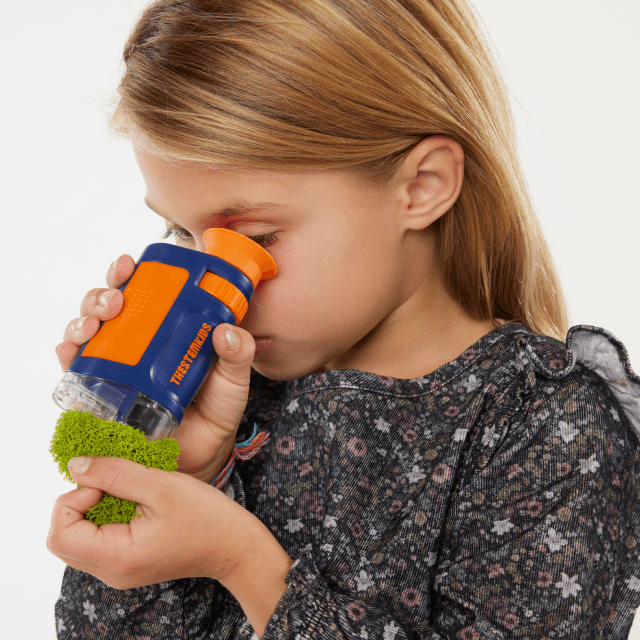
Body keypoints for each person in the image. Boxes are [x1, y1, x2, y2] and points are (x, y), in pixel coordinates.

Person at [47, 0, 640, 638]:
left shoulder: (545, 424)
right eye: (181, 234)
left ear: (422, 186)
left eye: (259, 240)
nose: (219, 293)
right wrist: (177, 467)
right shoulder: (233, 397)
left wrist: (243, 561)